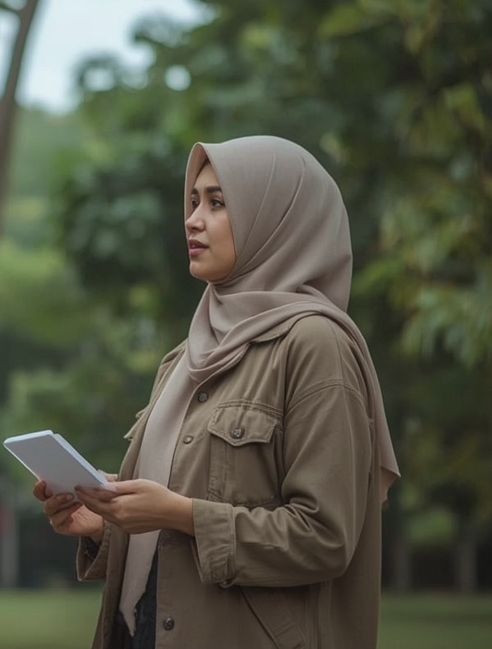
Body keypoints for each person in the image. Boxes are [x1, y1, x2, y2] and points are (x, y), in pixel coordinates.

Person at [33, 135, 400, 649]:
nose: (192, 219)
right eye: (193, 201)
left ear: (279, 220)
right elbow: (175, 523)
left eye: (218, 203)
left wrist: (180, 514)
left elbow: (325, 539)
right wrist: (107, 521)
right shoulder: (185, 356)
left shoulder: (316, 344)